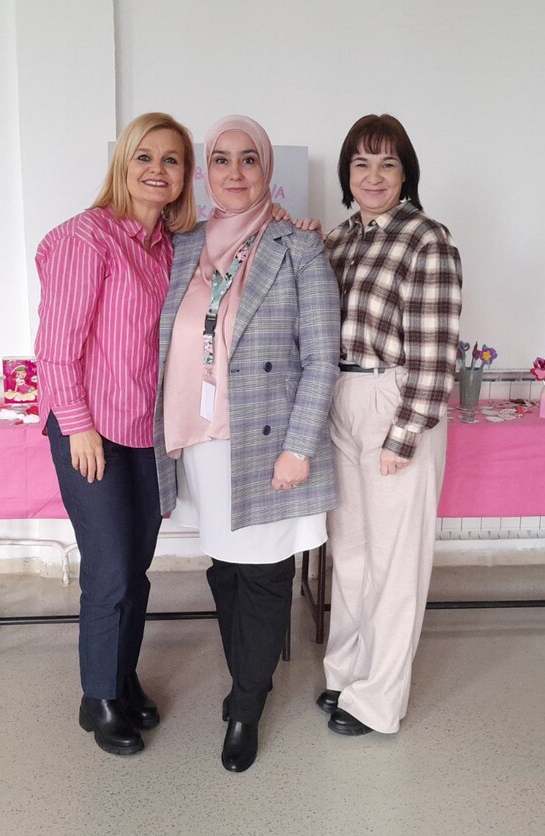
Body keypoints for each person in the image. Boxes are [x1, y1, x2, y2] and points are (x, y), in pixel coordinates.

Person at [154, 115, 340, 772]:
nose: (235, 173)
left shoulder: (298, 248)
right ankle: (246, 678)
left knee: (263, 573)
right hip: (203, 441)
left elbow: (321, 358)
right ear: (206, 172)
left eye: (249, 160)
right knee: (225, 566)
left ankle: (247, 703)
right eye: (221, 160)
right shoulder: (182, 248)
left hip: (269, 443)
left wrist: (299, 447)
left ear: (267, 169)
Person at [34, 112, 196, 756]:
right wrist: (77, 427)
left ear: (184, 176)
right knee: (109, 570)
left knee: (135, 567)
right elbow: (56, 348)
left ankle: (122, 678)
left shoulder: (169, 248)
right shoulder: (87, 237)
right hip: (92, 431)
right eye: (144, 157)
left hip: (145, 433)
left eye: (172, 160)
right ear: (122, 165)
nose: (157, 169)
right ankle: (97, 698)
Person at [319, 114, 463, 737]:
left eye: (387, 163)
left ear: (406, 173)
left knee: (395, 559)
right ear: (347, 174)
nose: (373, 176)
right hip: (340, 395)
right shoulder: (338, 239)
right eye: (361, 163)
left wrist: (404, 435)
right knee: (350, 551)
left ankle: (378, 700)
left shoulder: (427, 239)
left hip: (394, 397)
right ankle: (345, 674)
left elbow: (436, 349)